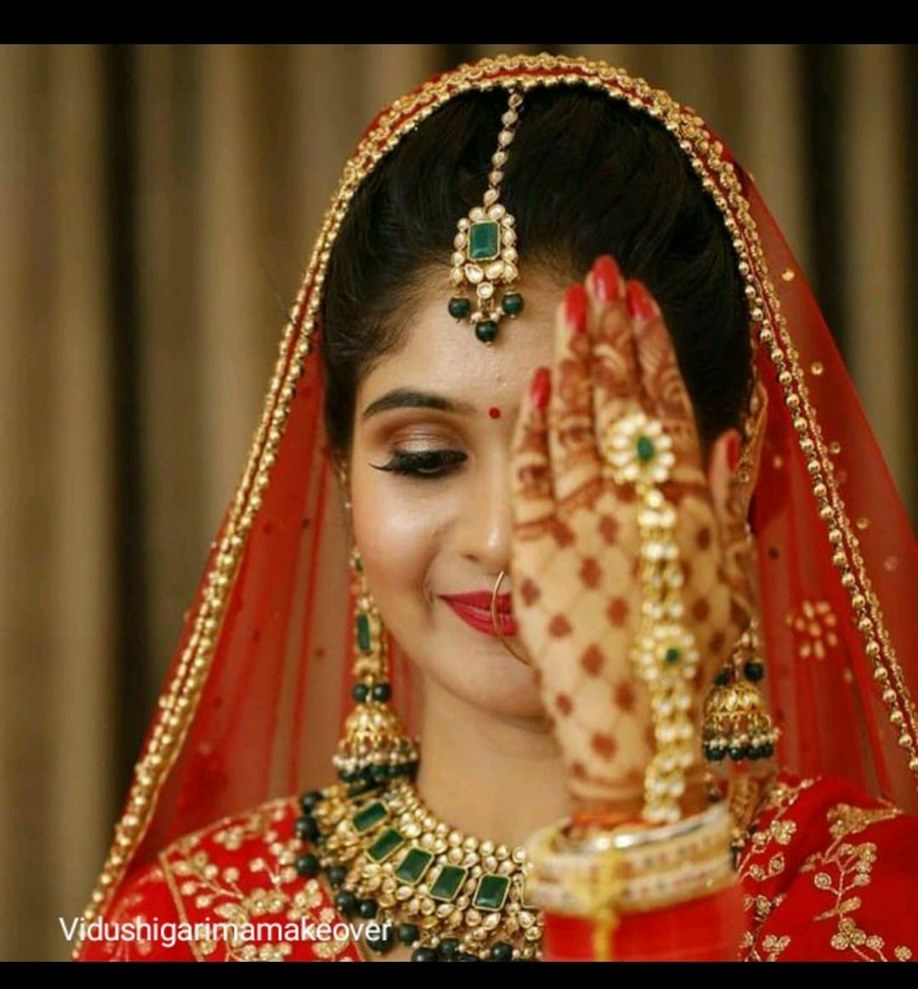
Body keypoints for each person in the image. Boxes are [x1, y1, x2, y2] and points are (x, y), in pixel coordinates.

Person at [74, 54, 917, 963]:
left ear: (735, 465)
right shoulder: (190, 927)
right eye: (426, 459)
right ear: (344, 473)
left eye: (583, 458)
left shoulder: (872, 904)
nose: (503, 536)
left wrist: (637, 808)